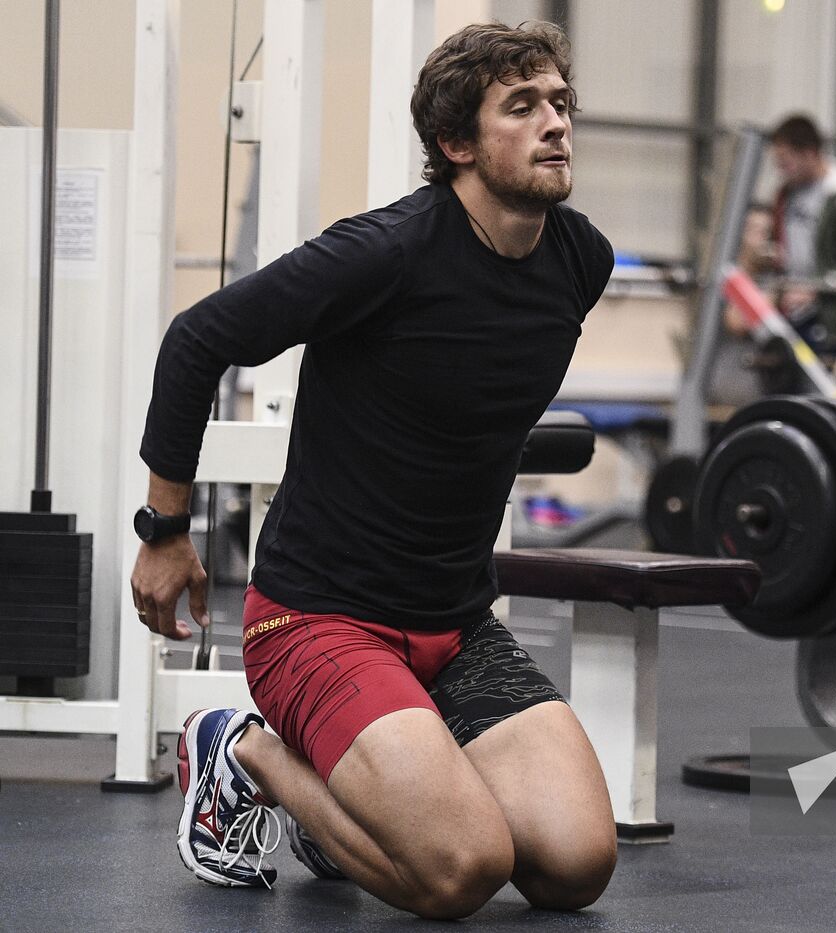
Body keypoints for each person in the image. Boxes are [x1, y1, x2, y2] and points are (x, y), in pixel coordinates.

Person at [128, 22, 618, 920]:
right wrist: (164, 532)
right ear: (457, 144)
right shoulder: (385, 252)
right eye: (523, 107)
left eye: (559, 103)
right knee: (459, 871)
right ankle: (249, 754)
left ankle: (353, 799)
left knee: (577, 864)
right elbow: (196, 340)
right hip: (317, 621)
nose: (555, 124)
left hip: (458, 628)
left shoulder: (579, 260)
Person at [742, 114, 836, 368]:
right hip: (789, 311)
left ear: (809, 153)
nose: (781, 171)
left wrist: (815, 288)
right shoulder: (786, 194)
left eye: (786, 162)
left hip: (828, 319)